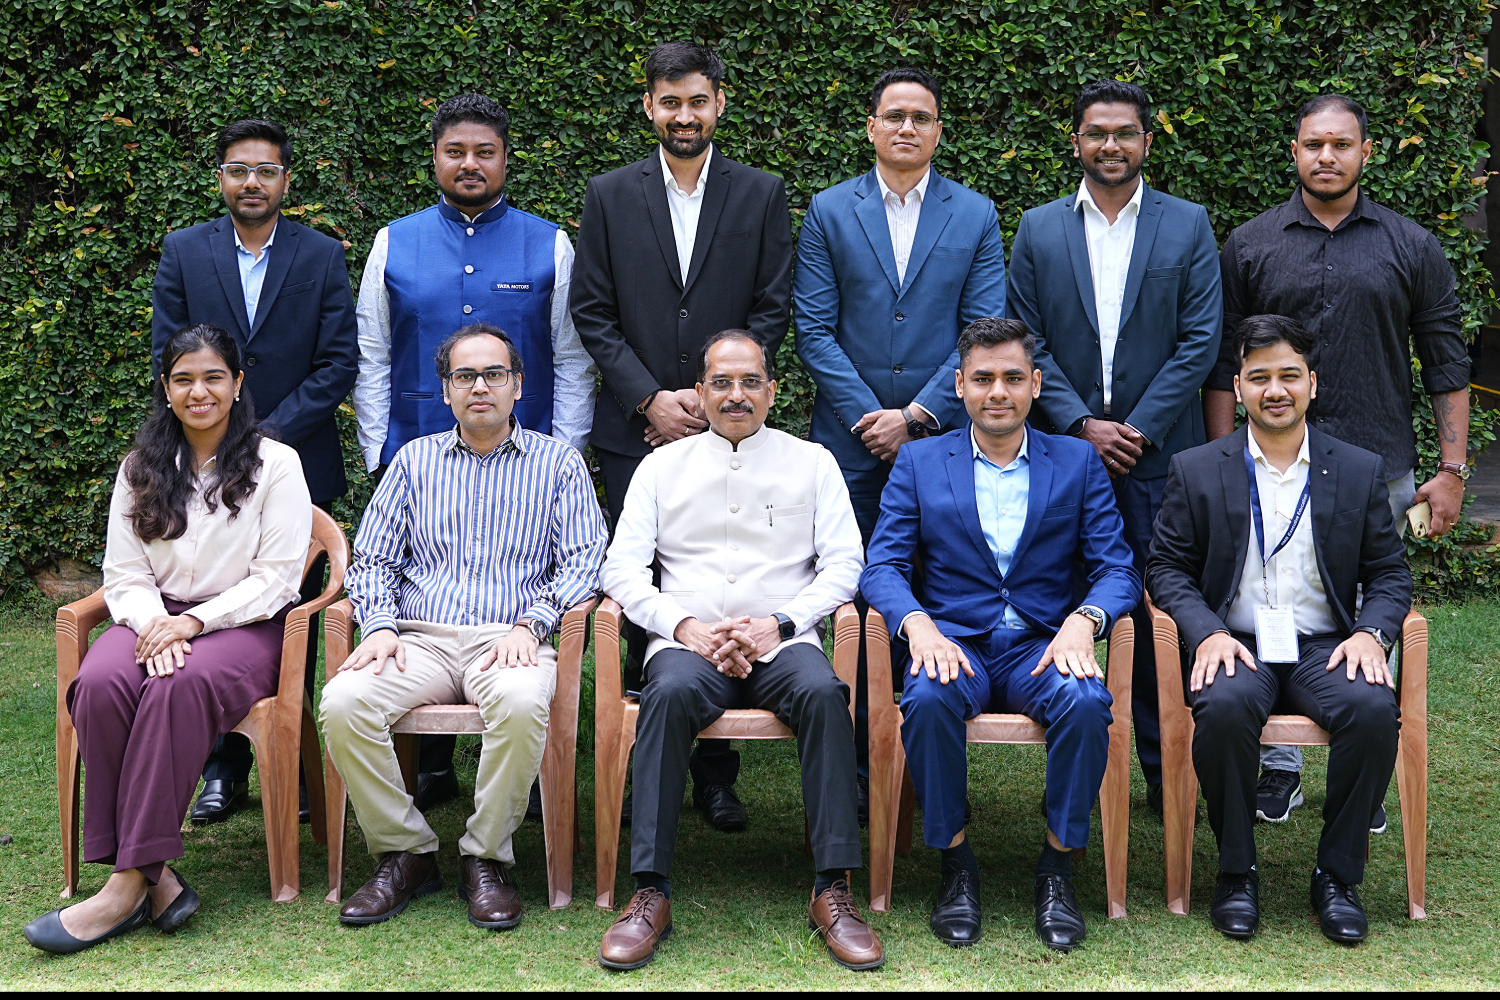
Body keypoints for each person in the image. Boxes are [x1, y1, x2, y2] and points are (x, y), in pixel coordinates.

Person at [1202, 93, 1468, 826]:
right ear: (1294, 152)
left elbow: (1446, 360)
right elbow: (1227, 359)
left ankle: (1365, 763)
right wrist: (1227, 455)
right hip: (1264, 466)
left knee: (1367, 615)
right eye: (1313, 144)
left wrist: (1452, 471)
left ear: (1364, 152)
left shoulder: (1409, 245)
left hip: (1375, 467)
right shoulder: (1251, 244)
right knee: (1268, 599)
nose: (1327, 156)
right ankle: (1277, 767)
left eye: (1341, 145)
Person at [23, 324, 313, 954]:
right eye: (183, 379)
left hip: (244, 625)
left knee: (175, 685)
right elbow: (124, 573)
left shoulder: (276, 464)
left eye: (213, 377)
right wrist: (158, 622)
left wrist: (194, 623)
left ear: (238, 384)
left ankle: (125, 887)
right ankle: (158, 878)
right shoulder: (140, 467)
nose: (198, 391)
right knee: (99, 682)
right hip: (152, 617)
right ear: (166, 387)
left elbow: (277, 578)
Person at [596, 330, 880, 972]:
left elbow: (844, 565)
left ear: (772, 392)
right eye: (721, 382)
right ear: (699, 392)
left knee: (824, 694)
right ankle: (649, 890)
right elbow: (622, 569)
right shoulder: (660, 467)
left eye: (750, 381)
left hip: (783, 641)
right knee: (665, 695)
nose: (736, 395)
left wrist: (780, 622)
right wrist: (685, 624)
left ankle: (832, 887)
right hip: (688, 644)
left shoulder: (812, 462)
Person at [861, 317, 1140, 952]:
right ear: (958, 386)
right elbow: (882, 565)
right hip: (954, 640)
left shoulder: (1075, 461)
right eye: (983, 378)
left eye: (1013, 378)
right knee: (927, 700)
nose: (998, 392)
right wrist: (919, 625)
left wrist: (1083, 621)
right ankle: (956, 866)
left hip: (1042, 644)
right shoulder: (920, 459)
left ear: (1036, 385)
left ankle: (1058, 867)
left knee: (1087, 702)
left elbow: (1117, 568)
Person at [571, 41, 794, 830]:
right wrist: (649, 399)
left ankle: (716, 772)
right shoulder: (608, 195)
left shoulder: (762, 194)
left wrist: (714, 395)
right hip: (639, 433)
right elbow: (591, 310)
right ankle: (643, 763)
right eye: (670, 102)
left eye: (697, 101)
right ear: (649, 108)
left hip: (728, 426)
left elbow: (771, 307)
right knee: (641, 597)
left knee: (724, 579)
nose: (684, 116)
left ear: (719, 104)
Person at [353, 93, 597, 809]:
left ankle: (501, 763)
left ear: (504, 161)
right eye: (455, 151)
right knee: (425, 582)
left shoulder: (548, 242)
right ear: (435, 158)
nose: (469, 163)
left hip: (528, 453)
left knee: (505, 582)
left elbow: (571, 355)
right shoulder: (393, 242)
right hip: (415, 447)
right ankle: (427, 764)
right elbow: (371, 350)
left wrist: (568, 451)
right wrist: (377, 449)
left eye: (483, 152)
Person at [321, 324, 606, 930]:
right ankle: (407, 853)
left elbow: (586, 561)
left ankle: (485, 857)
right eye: (464, 376)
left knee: (526, 700)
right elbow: (373, 559)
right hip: (417, 639)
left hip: (510, 638)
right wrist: (377, 627)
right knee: (344, 702)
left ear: (517, 386)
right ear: (445, 391)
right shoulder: (412, 463)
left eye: (494, 374)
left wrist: (534, 622)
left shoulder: (559, 464)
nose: (480, 386)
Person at [1147, 315, 1410, 943]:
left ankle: (1337, 876)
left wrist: (1372, 634)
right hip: (1235, 641)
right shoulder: (1197, 467)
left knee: (1374, 710)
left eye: (1289, 375)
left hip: (1327, 644)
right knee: (1226, 707)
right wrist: (1205, 632)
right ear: (1237, 388)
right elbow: (1165, 566)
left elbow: (1390, 573)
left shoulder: (1358, 468)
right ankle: (1237, 870)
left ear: (1312, 384)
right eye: (1258, 376)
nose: (1275, 389)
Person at [1004, 80, 1222, 816]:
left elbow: (1200, 341)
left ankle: (1168, 782)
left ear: (1147, 142)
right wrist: (1077, 424)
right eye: (1096, 132)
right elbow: (1026, 337)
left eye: (1125, 132)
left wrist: (1136, 429)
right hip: (1065, 458)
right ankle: (1075, 780)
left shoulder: (1187, 225)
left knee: (1167, 614)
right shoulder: (1037, 229)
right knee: (1069, 607)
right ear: (1076, 141)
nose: (1111, 145)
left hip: (1162, 460)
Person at [793, 65, 1007, 804]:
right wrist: (871, 418)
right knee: (847, 594)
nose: (907, 127)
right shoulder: (828, 209)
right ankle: (853, 765)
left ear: (938, 129)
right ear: (872, 126)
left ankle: (922, 752)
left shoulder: (975, 214)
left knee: (930, 587)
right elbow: (814, 329)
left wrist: (916, 415)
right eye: (895, 115)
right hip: (848, 441)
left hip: (940, 437)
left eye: (922, 116)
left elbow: (982, 331)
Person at [150, 118, 357, 825]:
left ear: (285, 181)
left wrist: (261, 438)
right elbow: (167, 356)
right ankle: (222, 767)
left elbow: (338, 365)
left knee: (289, 621)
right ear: (221, 178)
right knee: (207, 610)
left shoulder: (322, 255)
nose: (252, 183)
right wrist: (219, 431)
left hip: (296, 466)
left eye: (266, 171)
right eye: (239, 170)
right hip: (199, 470)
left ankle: (297, 765)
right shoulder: (183, 253)